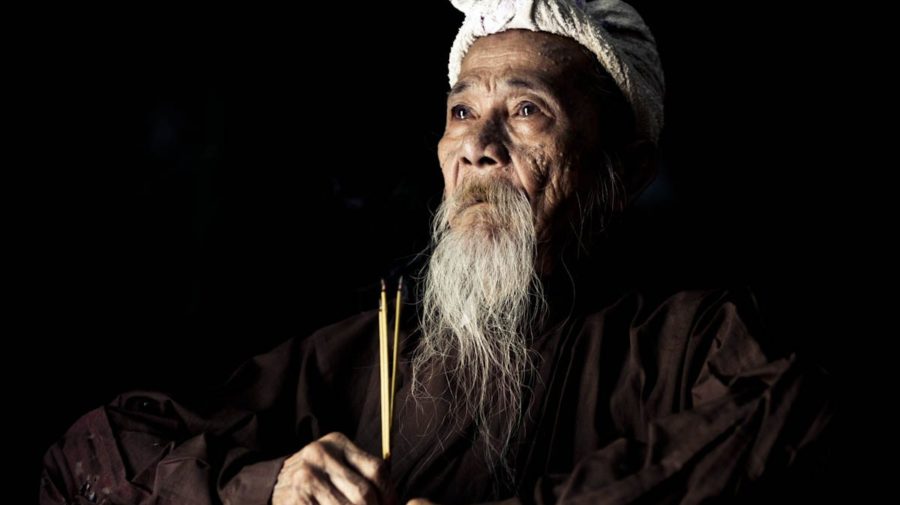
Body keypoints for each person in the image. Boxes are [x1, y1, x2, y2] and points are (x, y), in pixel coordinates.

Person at [40, 1, 833, 504]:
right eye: (461, 112)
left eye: (526, 110)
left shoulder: (693, 342)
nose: (478, 146)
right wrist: (266, 484)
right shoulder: (371, 350)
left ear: (624, 171)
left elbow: (784, 429)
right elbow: (90, 453)